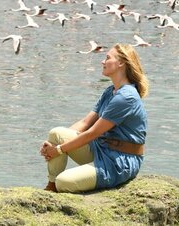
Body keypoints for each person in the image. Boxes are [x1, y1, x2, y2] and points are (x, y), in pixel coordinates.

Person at [40, 43, 149, 193]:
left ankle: (57, 185)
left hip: (119, 161)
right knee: (56, 133)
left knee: (64, 182)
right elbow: (85, 123)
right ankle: (51, 187)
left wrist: (58, 150)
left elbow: (93, 133)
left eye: (107, 58)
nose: (102, 62)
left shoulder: (126, 97)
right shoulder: (110, 91)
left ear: (121, 63)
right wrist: (54, 145)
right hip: (101, 149)